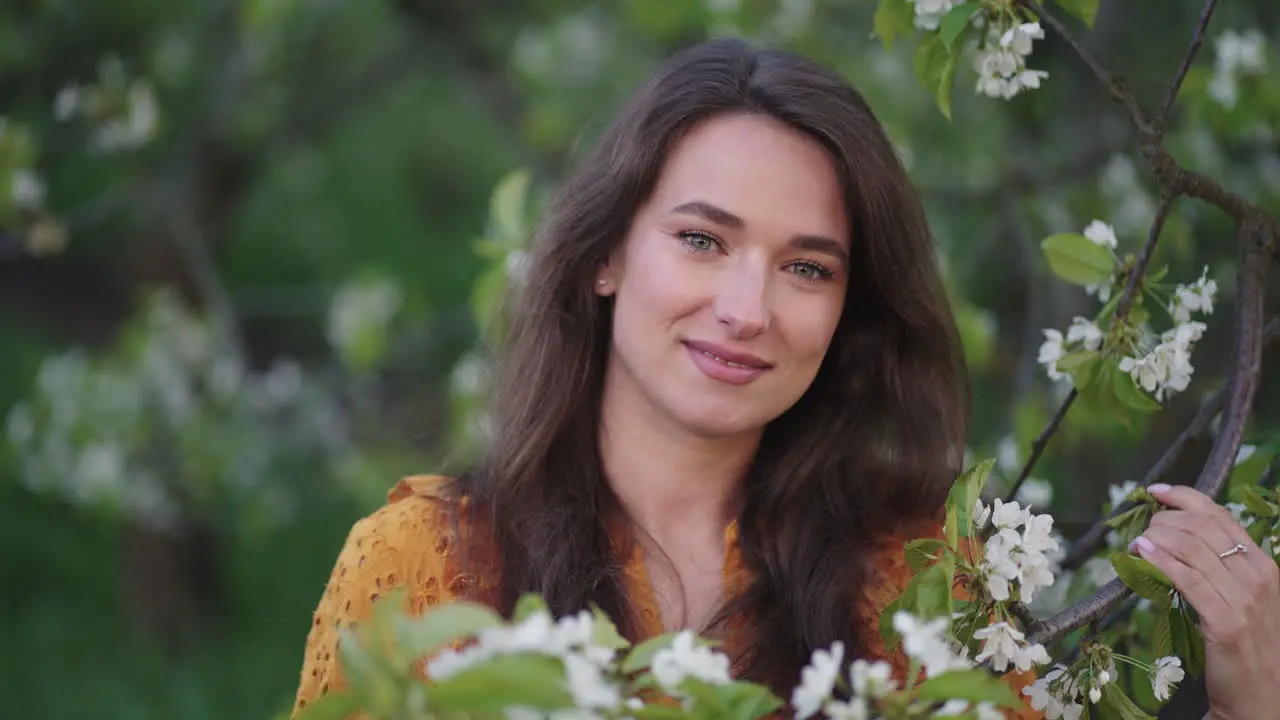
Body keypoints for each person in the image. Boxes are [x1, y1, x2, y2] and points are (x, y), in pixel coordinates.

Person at [291, 37, 1278, 719]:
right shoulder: (417, 568)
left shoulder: (920, 574)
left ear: (847, 308)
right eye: (699, 240)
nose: (746, 307)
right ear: (604, 256)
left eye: (806, 267)